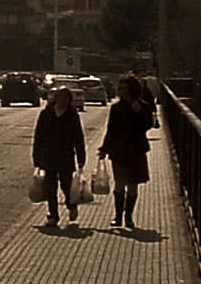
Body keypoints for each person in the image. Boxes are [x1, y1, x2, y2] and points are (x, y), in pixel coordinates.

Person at [99, 73, 152, 229]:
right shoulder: (116, 108)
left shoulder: (143, 106)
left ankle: (128, 217)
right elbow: (111, 130)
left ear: (133, 90)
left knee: (133, 184)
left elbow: (148, 125)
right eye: (120, 89)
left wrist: (140, 113)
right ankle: (117, 216)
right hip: (119, 150)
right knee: (119, 183)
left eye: (125, 89)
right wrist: (104, 148)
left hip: (136, 149)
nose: (122, 92)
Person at [32, 86, 86, 227]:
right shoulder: (46, 114)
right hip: (48, 156)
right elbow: (39, 136)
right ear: (55, 98)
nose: (62, 100)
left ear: (69, 100)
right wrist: (37, 157)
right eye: (60, 97)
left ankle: (71, 205)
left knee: (66, 185)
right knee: (50, 187)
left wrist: (81, 158)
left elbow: (78, 137)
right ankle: (53, 216)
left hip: (66, 156)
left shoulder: (72, 115)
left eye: (65, 98)